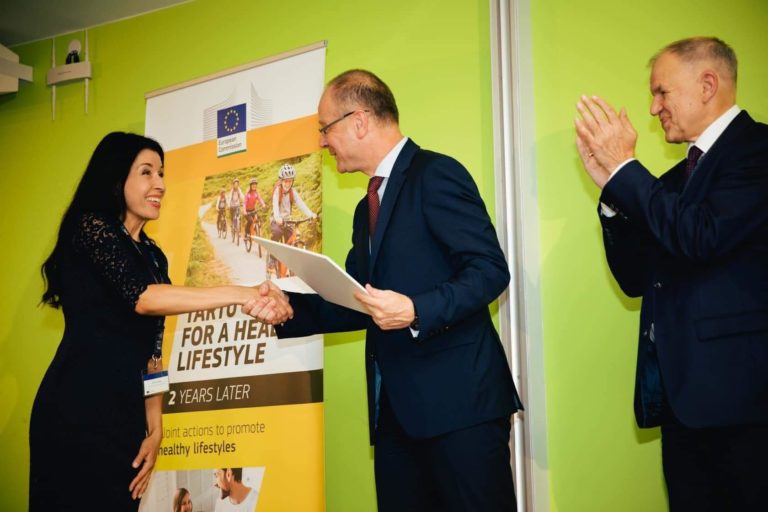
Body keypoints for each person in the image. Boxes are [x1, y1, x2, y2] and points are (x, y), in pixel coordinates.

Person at [257, 69, 522, 511]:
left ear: (359, 121)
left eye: (325, 128)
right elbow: (354, 299)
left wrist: (416, 309)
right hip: (395, 418)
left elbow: (490, 270)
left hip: (461, 410)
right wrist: (288, 308)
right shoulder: (365, 209)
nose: (322, 142)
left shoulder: (436, 174)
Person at [29, 132, 291, 511]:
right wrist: (241, 292)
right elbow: (143, 298)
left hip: (125, 418)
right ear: (117, 178)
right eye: (146, 172)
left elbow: (153, 353)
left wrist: (156, 429)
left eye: (162, 173)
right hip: (77, 409)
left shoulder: (153, 255)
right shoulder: (91, 229)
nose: (161, 184)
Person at [574, 37, 768, 510]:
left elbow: (700, 235)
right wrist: (612, 194)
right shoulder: (672, 182)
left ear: (707, 85)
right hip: (681, 402)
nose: (653, 107)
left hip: (746, 404)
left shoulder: (758, 151)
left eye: (662, 92)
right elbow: (635, 278)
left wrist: (626, 169)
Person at [268, 163, 317, 273]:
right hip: (277, 219)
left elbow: (300, 203)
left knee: (292, 239)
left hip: (288, 220)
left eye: (290, 181)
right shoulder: (277, 191)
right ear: (281, 181)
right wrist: (277, 218)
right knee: (277, 233)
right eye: (286, 181)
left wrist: (310, 214)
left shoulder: (292, 191)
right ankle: (272, 258)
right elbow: (275, 205)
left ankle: (290, 264)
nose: (288, 183)